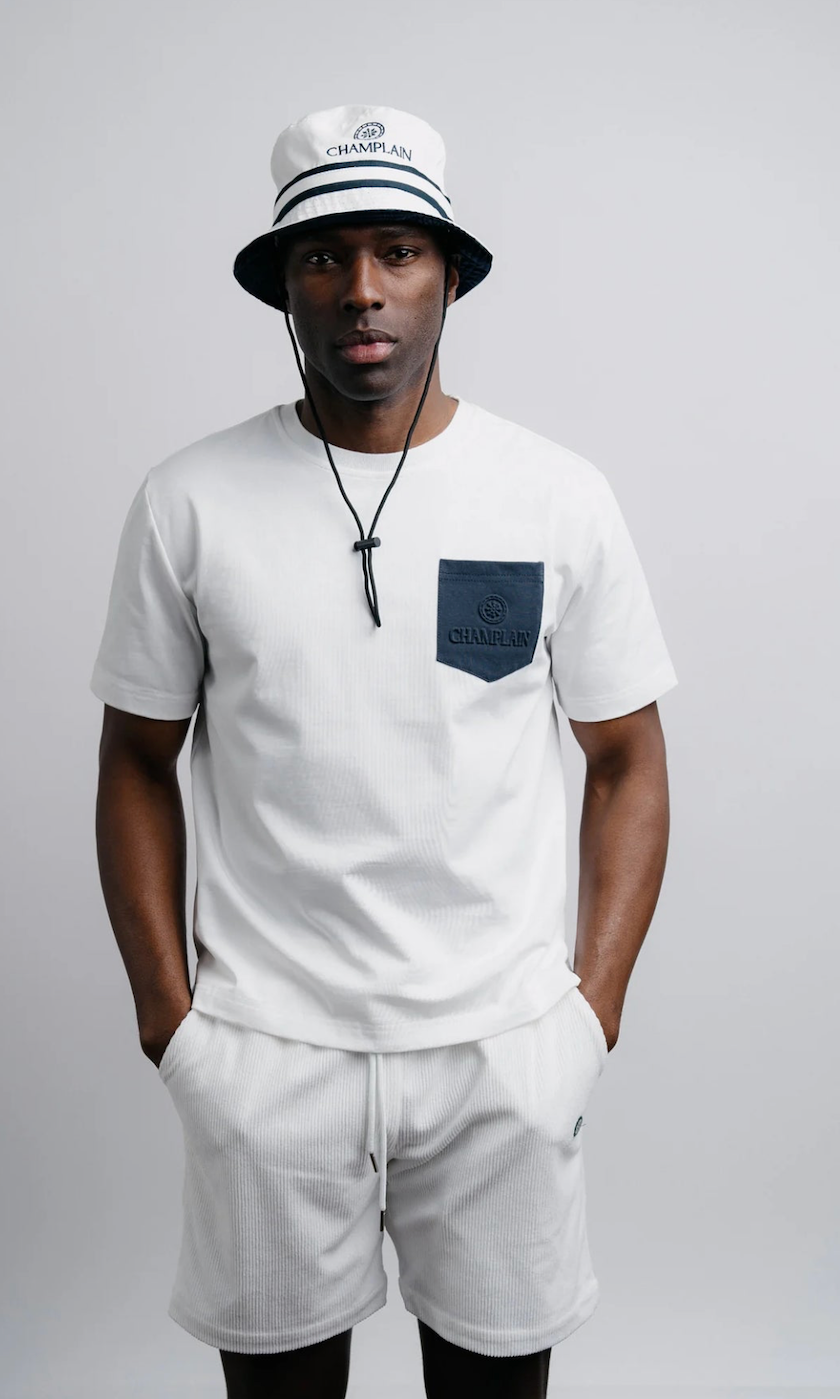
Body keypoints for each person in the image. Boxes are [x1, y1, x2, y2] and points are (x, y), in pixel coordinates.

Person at [90, 104, 678, 1399]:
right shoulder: (189, 501)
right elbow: (136, 758)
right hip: (266, 1054)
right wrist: (170, 1024)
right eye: (325, 255)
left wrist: (590, 1016)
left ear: (449, 276)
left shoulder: (554, 495)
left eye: (399, 251)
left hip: (500, 1054)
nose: (362, 289)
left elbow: (628, 756)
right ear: (283, 286)